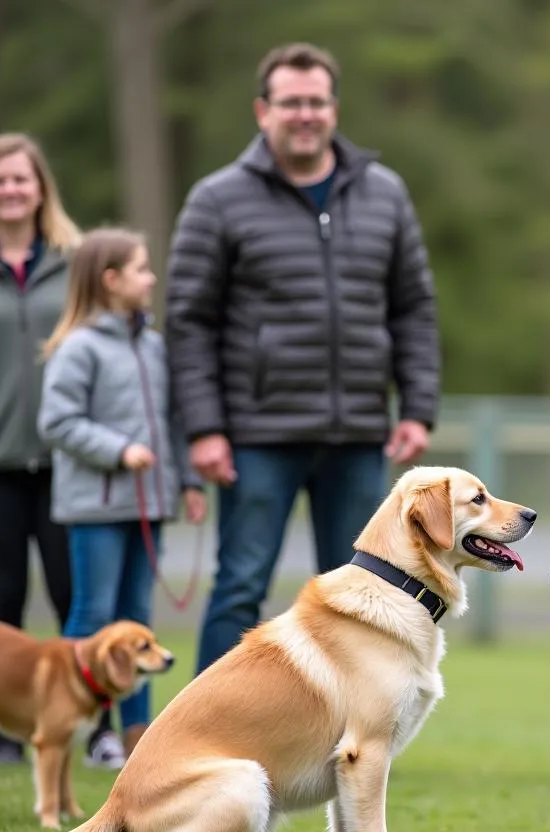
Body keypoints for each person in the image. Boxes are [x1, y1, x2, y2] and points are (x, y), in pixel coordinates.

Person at [165, 42, 440, 674]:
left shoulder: (384, 193)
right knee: (240, 587)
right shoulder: (217, 199)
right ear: (263, 111)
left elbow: (414, 310)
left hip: (358, 435)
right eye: (291, 103)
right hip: (257, 435)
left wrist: (417, 407)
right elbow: (188, 322)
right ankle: (211, 733)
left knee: (367, 592)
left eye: (316, 102)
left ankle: (349, 739)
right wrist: (204, 429)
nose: (305, 114)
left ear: (333, 109)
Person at [38, 228, 206, 758]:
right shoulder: (78, 348)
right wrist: (118, 450)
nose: (151, 278)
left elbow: (172, 422)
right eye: (141, 269)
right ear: (111, 281)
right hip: (95, 507)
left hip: (148, 505)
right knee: (92, 617)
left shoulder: (153, 347)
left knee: (138, 620)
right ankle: (73, 729)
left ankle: (139, 740)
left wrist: (188, 481)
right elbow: (57, 421)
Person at [0, 133, 80, 765]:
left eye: (21, 179)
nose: (10, 190)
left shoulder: (74, 263)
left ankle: (82, 725)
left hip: (68, 465)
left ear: (41, 187)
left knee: (76, 596)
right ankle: (8, 736)